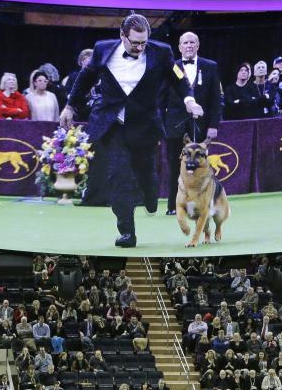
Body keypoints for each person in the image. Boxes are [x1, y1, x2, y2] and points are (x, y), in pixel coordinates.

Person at [60, 13, 203, 248]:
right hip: (112, 124)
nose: (139, 47)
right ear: (122, 35)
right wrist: (69, 106)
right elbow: (85, 78)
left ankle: (149, 192)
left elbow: (179, 79)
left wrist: (189, 100)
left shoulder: (162, 52)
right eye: (134, 42)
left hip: (144, 125)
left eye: (143, 43)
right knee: (119, 176)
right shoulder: (102, 49)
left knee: (146, 172)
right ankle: (127, 232)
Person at [162, 31, 222, 216]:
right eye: (185, 43)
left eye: (192, 42)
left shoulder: (210, 66)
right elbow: (161, 97)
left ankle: (203, 203)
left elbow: (216, 99)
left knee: (201, 166)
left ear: (197, 46)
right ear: (179, 47)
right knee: (174, 164)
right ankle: (173, 205)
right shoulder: (170, 67)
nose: (188, 46)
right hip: (174, 124)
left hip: (201, 124)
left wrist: (213, 125)